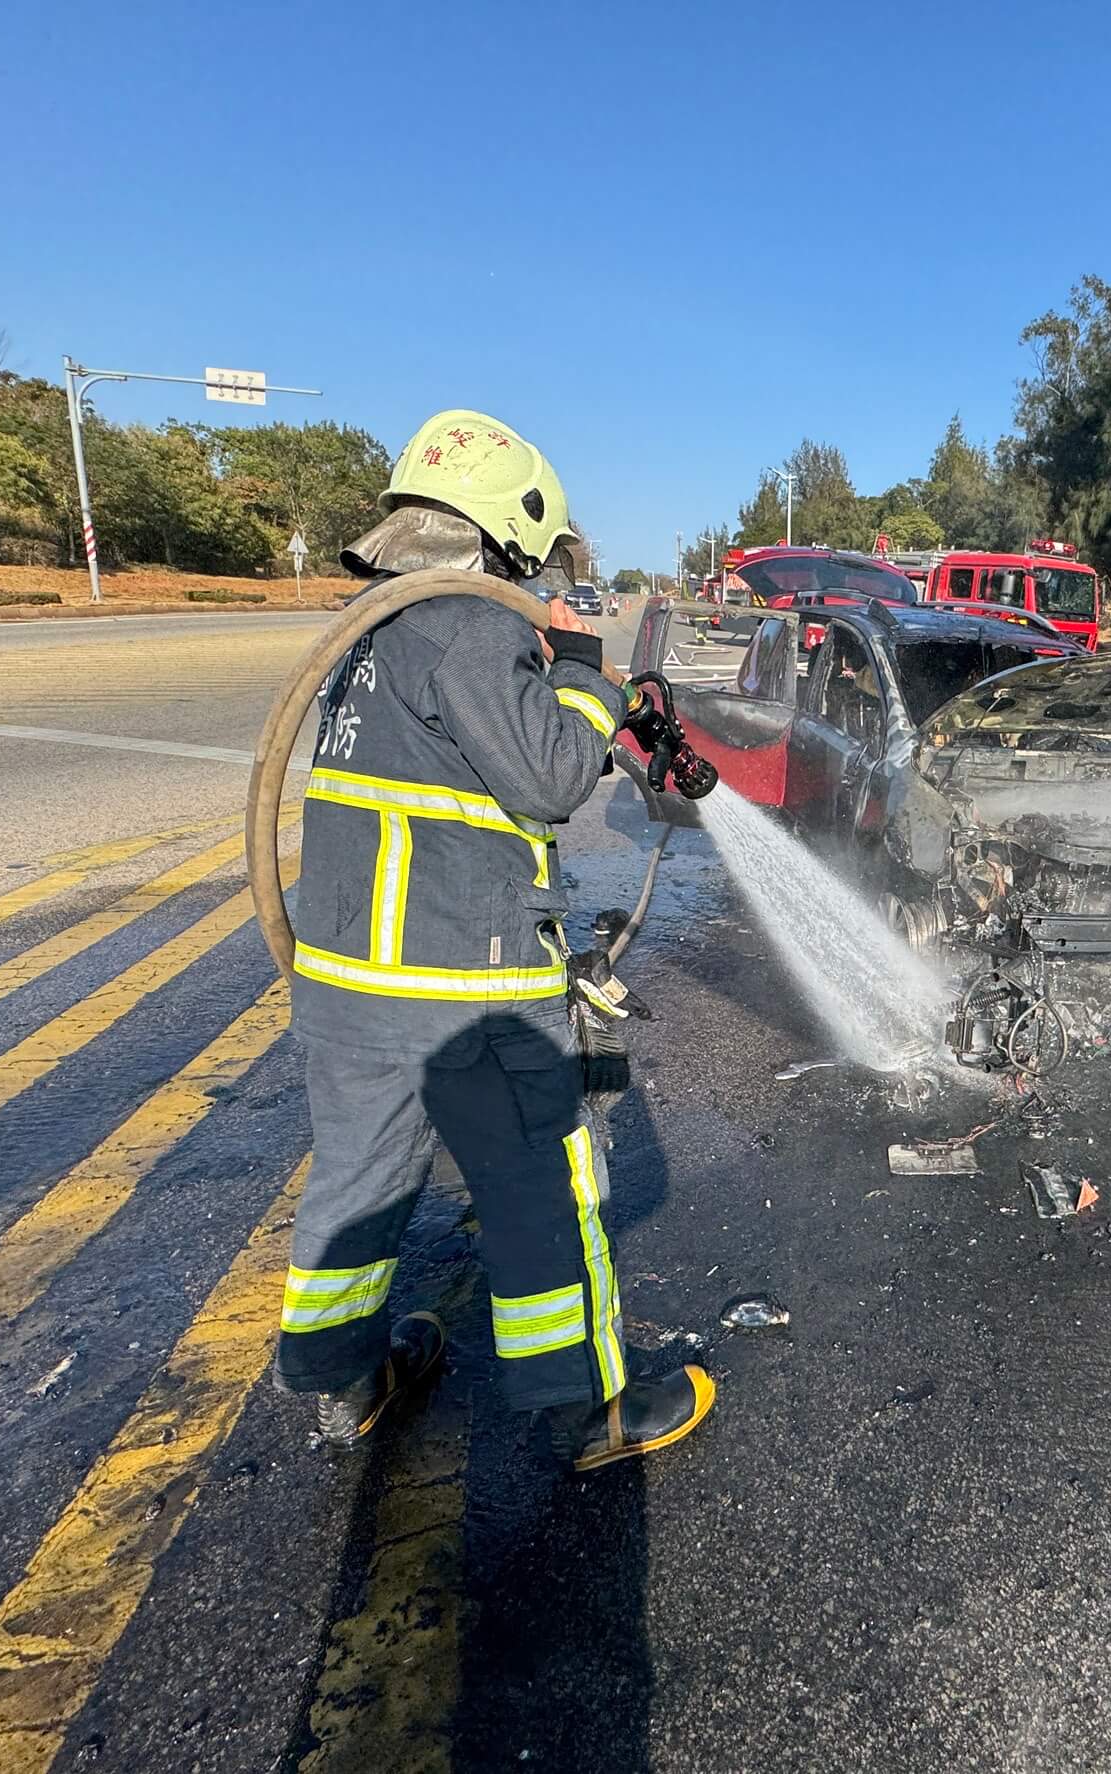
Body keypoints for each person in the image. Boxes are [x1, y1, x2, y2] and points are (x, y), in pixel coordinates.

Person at [279, 408, 716, 1466]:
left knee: (360, 1180)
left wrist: (581, 697)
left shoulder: (371, 632)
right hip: (460, 977)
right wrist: (583, 671)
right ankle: (591, 1406)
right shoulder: (466, 625)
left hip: (346, 976)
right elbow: (552, 776)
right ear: (506, 530)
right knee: (540, 1179)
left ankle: (348, 1384)